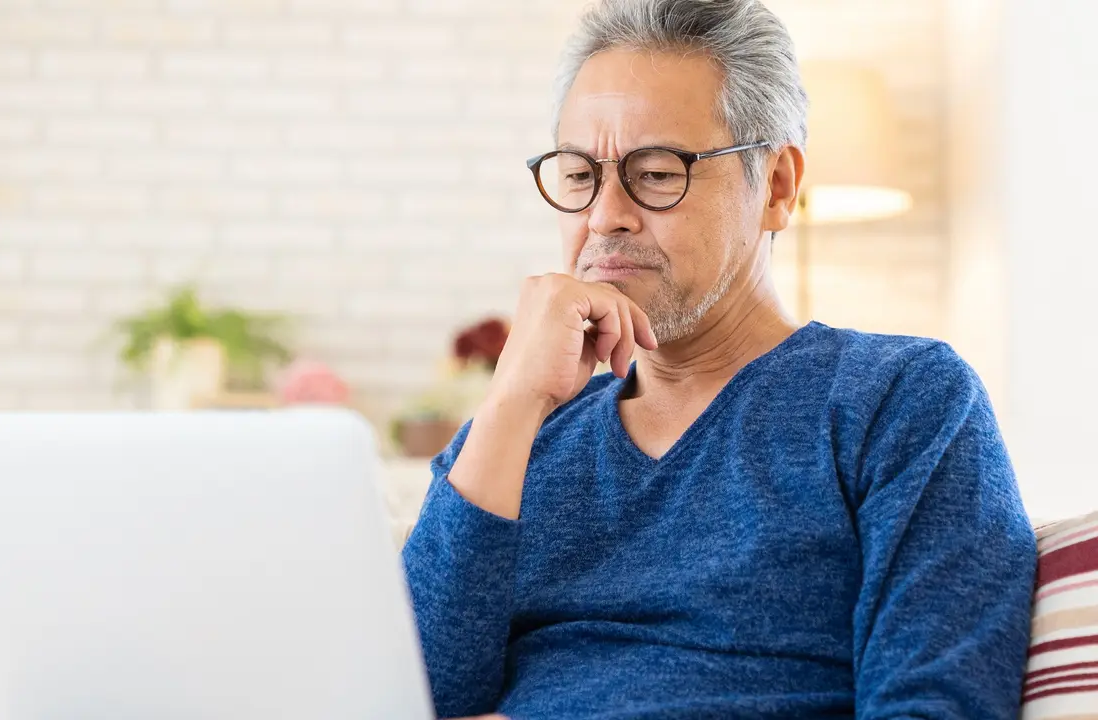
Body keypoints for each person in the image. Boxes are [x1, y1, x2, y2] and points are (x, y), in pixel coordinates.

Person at [401, 0, 1037, 718]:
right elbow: (404, 695)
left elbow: (936, 706)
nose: (604, 214)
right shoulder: (517, 435)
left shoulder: (900, 401)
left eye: (657, 171)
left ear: (776, 186)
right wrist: (510, 402)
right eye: (579, 174)